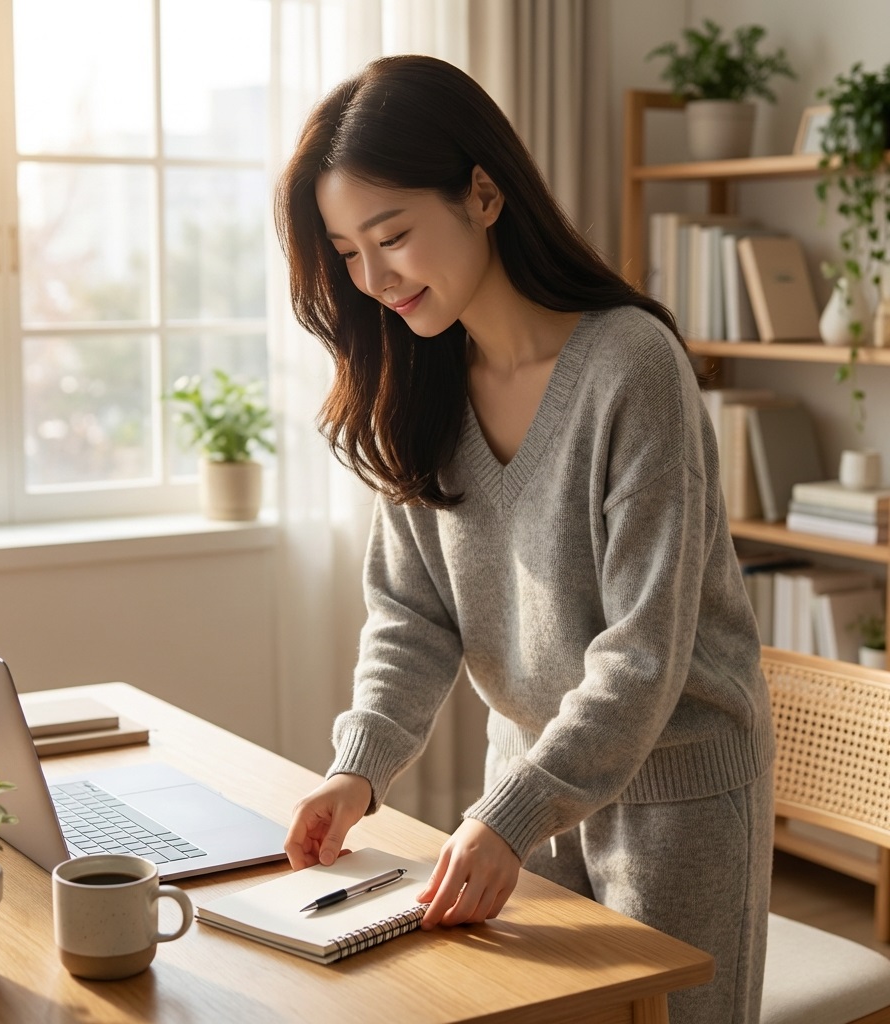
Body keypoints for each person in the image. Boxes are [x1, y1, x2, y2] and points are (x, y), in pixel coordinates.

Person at [274, 54, 774, 1024]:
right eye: (345, 253)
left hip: (676, 798)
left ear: (484, 193)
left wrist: (509, 814)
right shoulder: (416, 387)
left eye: (392, 237)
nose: (373, 280)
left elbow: (642, 650)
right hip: (529, 789)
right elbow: (412, 615)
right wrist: (359, 765)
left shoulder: (631, 365)